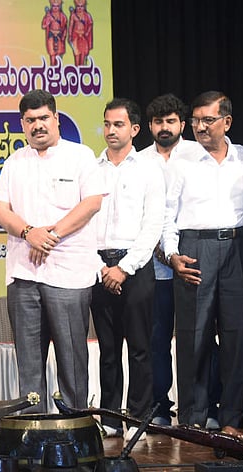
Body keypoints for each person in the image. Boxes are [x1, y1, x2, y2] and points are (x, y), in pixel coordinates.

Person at [0, 89, 104, 413]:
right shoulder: (14, 162)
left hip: (69, 276)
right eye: (30, 120)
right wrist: (30, 233)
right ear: (22, 124)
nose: (37, 125)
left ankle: (75, 431)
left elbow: (92, 203)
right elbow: (1, 210)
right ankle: (34, 436)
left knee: (71, 361)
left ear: (56, 119)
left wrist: (50, 235)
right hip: (24, 275)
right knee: (28, 363)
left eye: (44, 118)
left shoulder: (81, 155)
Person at [162, 91, 243, 438]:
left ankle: (232, 418)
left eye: (208, 120)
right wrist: (173, 255)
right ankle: (193, 417)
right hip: (194, 249)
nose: (200, 127)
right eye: (196, 120)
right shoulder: (181, 161)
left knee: (235, 337)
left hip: (237, 246)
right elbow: (166, 215)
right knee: (193, 336)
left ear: (226, 122)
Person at [91, 98, 165, 440]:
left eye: (118, 124)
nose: (110, 130)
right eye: (106, 124)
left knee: (139, 347)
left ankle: (138, 418)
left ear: (135, 129)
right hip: (98, 267)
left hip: (135, 267)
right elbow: (84, 225)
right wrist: (102, 268)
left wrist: (123, 268)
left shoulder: (149, 169)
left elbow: (153, 226)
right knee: (108, 349)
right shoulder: (93, 169)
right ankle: (109, 418)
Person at [139, 94, 207, 427]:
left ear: (182, 123)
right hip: (154, 267)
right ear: (149, 126)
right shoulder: (139, 162)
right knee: (157, 340)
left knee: (200, 336)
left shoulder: (200, 154)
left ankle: (203, 407)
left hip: (194, 261)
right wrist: (162, 251)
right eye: (157, 122)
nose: (164, 127)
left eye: (170, 121)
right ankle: (160, 407)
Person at [41, 0, 67, 65]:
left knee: (58, 56)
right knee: (52, 55)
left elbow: (65, 27)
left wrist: (63, 37)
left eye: (57, 6)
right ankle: (52, 69)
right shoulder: (48, 15)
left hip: (59, 36)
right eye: (53, 6)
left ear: (60, 6)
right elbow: (43, 26)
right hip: (51, 36)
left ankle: (58, 71)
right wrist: (48, 19)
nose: (55, 8)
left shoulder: (62, 16)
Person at [68, 0, 93, 66]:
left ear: (84, 7)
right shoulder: (73, 15)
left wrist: (87, 32)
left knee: (83, 55)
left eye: (81, 6)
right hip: (75, 37)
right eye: (78, 6)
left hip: (83, 37)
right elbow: (70, 26)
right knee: (76, 55)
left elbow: (90, 24)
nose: (80, 8)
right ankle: (77, 70)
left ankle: (81, 70)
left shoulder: (87, 15)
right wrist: (70, 35)